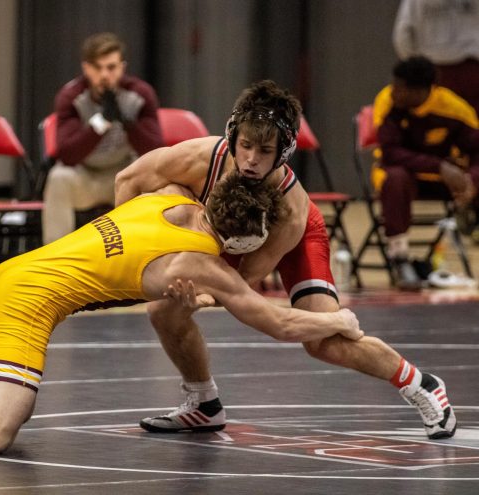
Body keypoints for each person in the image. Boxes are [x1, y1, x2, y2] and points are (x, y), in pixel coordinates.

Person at [0, 173, 364, 454]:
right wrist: (336, 320)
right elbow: (277, 321)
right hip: (27, 301)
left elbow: (136, 206)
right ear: (244, 239)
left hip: (11, 276)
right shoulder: (200, 263)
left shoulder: (169, 195)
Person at [115, 79, 457, 439]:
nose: (250, 159)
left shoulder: (290, 209)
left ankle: (421, 383)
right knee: (163, 309)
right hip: (224, 232)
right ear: (233, 137)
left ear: (284, 150)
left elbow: (243, 283)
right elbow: (127, 180)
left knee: (324, 342)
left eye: (264, 150)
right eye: (245, 145)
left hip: (289, 240)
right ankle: (204, 404)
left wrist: (198, 295)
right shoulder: (200, 158)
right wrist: (136, 250)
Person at [42, 32, 164, 244]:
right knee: (58, 177)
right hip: (86, 177)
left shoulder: (140, 94)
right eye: (98, 68)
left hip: (124, 174)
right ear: (86, 68)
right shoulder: (71, 97)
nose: (105, 75)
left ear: (122, 67)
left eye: (111, 67)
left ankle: (147, 253)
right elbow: (67, 154)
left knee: (155, 176)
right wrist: (100, 123)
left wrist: (128, 124)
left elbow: (155, 151)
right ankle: (55, 257)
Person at [373, 56, 479, 289]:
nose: (394, 91)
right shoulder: (387, 102)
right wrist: (440, 166)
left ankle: (471, 220)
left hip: (445, 181)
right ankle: (400, 258)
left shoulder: (454, 108)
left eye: (400, 87)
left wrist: (471, 180)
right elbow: (390, 153)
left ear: (420, 91)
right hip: (404, 176)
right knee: (396, 177)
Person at [393, 0, 479, 115]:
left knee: (433, 122)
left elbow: (402, 35)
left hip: (433, 70)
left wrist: (415, 68)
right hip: (471, 68)